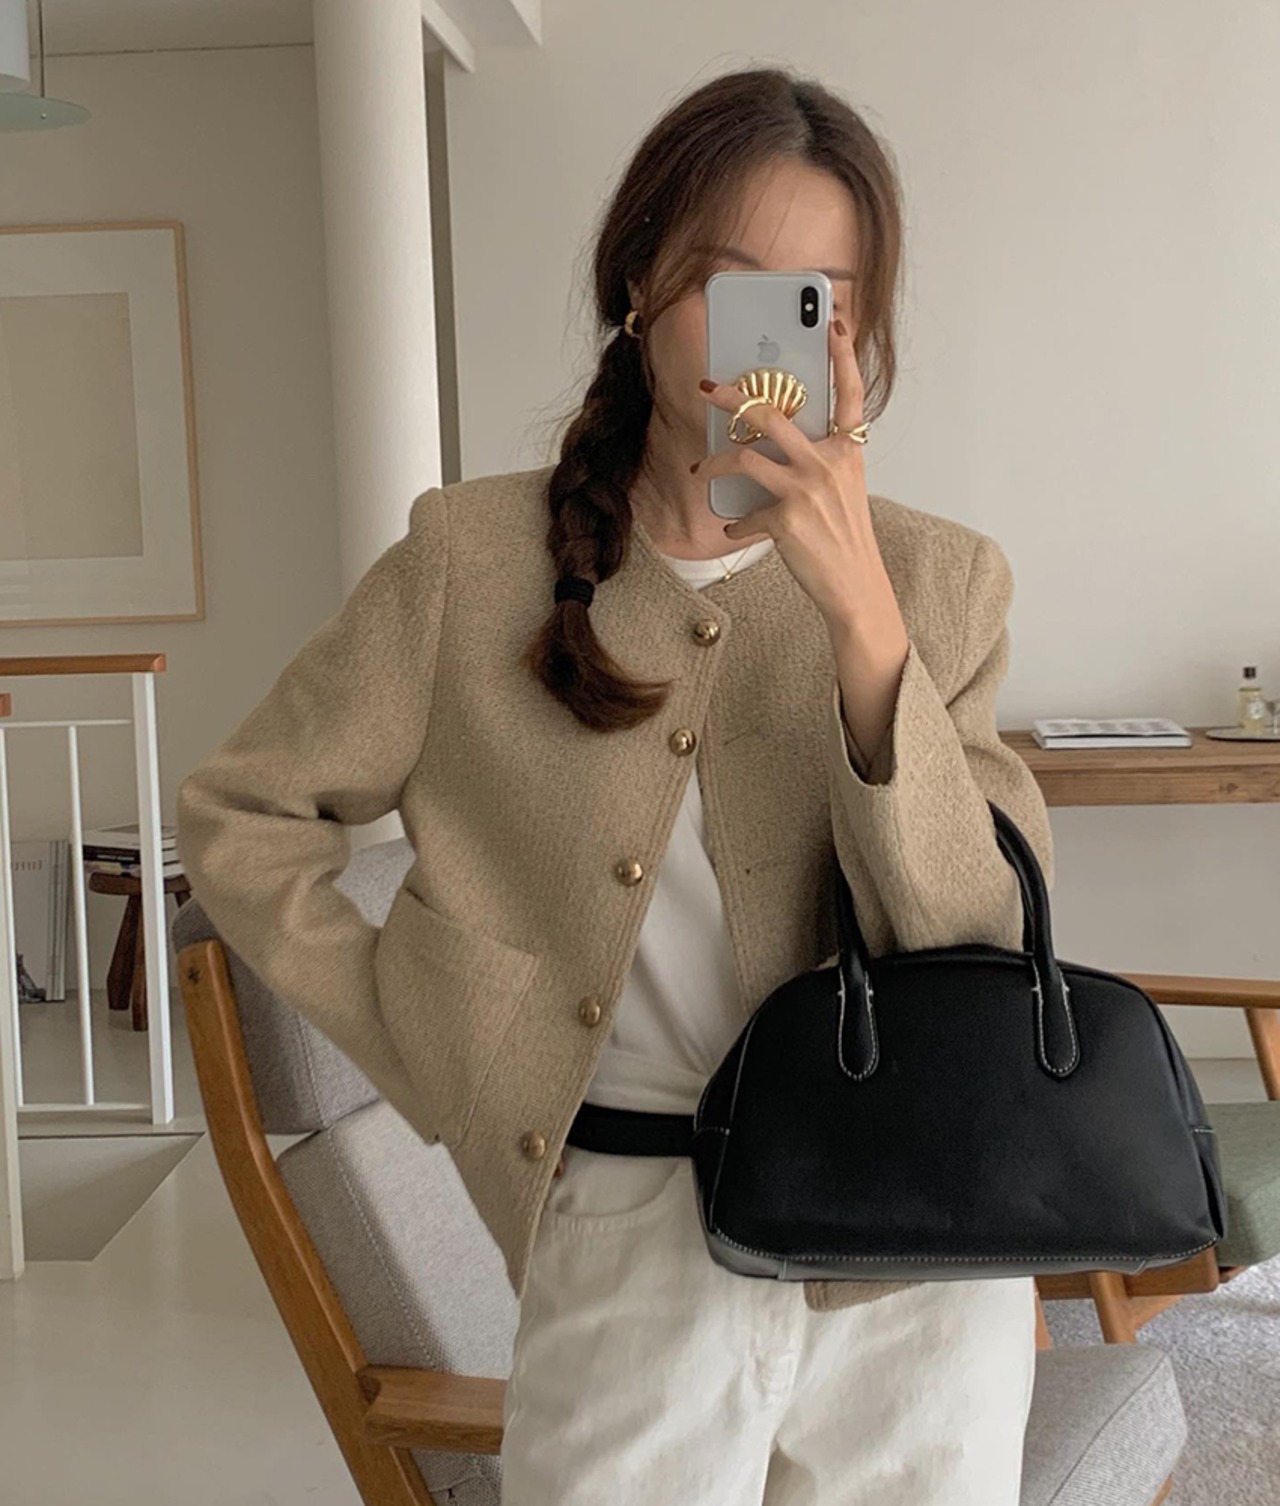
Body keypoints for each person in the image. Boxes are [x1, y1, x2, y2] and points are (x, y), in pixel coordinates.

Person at [177, 63, 1054, 1506]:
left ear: (858, 334)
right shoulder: (469, 565)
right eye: (726, 279)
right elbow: (240, 812)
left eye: (818, 297)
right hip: (632, 1237)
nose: (769, 333)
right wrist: (436, 1025)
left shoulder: (939, 580)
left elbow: (983, 942)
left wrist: (863, 623)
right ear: (640, 283)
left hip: (919, 1263)